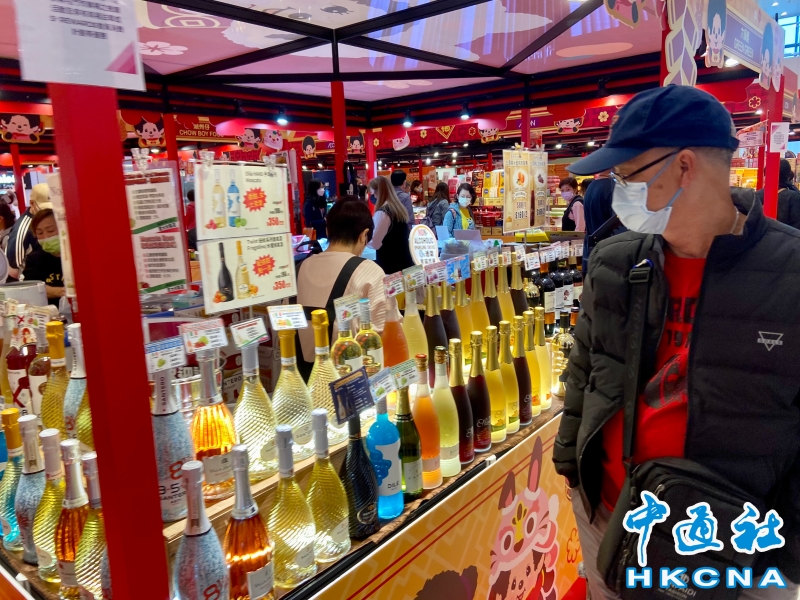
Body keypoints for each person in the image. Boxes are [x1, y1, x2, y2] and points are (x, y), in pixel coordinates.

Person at [553, 85, 800, 599]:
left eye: (628, 175)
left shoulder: (789, 273)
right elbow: (585, 367)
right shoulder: (614, 262)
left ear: (684, 166)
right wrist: (572, 467)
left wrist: (788, 548)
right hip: (613, 519)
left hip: (738, 548)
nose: (619, 190)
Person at [296, 196, 387, 375]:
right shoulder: (370, 271)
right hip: (352, 382)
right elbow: (386, 335)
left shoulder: (298, 271)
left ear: (328, 230)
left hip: (298, 383)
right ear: (364, 235)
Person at [368, 176, 415, 274]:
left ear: (378, 192)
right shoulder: (398, 209)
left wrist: (361, 240)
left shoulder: (383, 213)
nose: (373, 197)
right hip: (405, 264)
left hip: (391, 267)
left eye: (373, 193)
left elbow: (375, 243)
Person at [8, 183, 50, 280]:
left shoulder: (47, 220)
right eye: (44, 209)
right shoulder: (22, 230)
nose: (47, 213)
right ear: (32, 203)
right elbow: (13, 271)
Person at [581, 170, 623, 269]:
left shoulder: (591, 186)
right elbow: (619, 229)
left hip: (591, 255)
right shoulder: (613, 188)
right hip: (609, 258)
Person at [21, 209, 63, 304]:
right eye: (40, 233)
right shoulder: (34, 259)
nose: (46, 237)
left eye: (50, 230)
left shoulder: (77, 256)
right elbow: (32, 288)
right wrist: (62, 291)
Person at [755, 159, 800, 230]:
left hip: (761, 236)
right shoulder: (794, 197)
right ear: (788, 175)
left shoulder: (755, 196)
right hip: (785, 236)